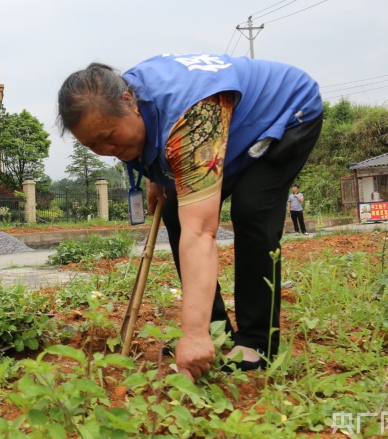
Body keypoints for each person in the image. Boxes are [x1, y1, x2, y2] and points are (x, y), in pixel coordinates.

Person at [57, 53, 323, 382]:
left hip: (285, 113)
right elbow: (154, 133)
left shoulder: (192, 117)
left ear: (128, 101)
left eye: (110, 136)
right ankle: (215, 331)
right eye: (92, 144)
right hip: (229, 128)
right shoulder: (133, 102)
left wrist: (191, 334)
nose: (106, 149)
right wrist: (157, 176)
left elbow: (201, 231)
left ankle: (256, 342)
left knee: (252, 211)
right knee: (174, 212)